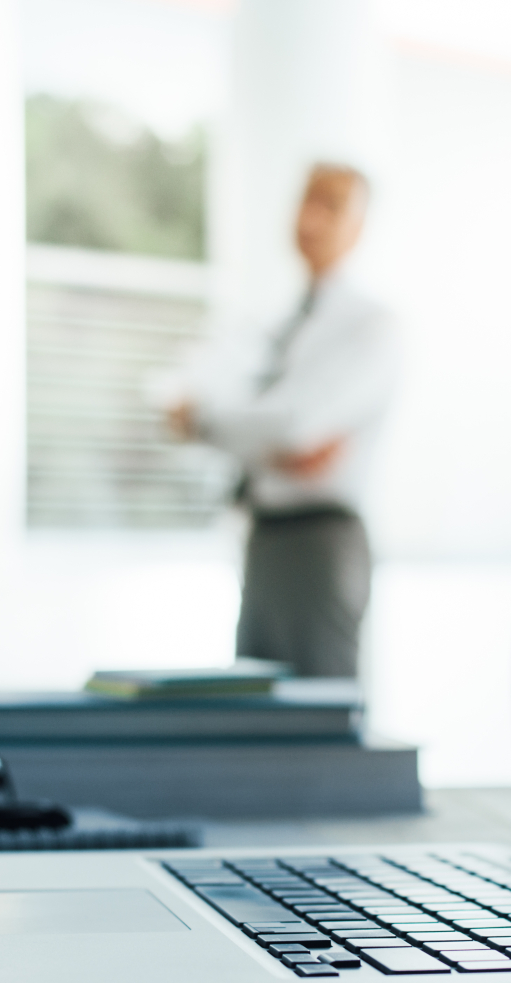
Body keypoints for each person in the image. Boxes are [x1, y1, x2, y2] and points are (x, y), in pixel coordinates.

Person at [171, 163, 400, 679]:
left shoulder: (372, 325)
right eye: (307, 200)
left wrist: (212, 425)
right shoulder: (272, 324)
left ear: (360, 227)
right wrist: (261, 437)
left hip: (319, 544)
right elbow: (202, 405)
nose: (313, 218)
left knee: (318, 720)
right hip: (262, 540)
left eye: (333, 206)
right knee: (255, 714)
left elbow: (297, 426)